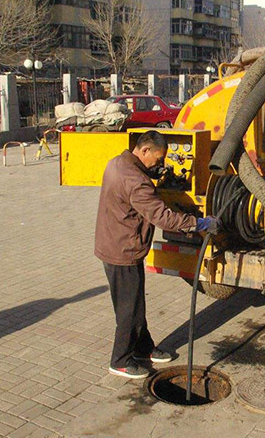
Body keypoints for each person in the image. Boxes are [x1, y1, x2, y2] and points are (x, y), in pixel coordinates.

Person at [95, 130, 218, 379]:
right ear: (144, 151)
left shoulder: (118, 163)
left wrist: (151, 173)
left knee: (136, 303)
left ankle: (143, 349)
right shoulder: (135, 180)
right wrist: (201, 223)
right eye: (158, 160)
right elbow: (163, 217)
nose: (160, 164)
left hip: (117, 243)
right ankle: (119, 360)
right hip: (122, 250)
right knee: (128, 309)